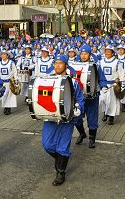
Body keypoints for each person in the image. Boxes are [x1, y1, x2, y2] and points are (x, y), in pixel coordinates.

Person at [41, 54, 84, 186]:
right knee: (47, 144)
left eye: (60, 63)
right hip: (51, 117)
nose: (57, 65)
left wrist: (79, 109)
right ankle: (60, 160)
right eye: (55, 63)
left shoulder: (74, 82)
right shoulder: (47, 80)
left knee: (63, 147)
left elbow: (80, 100)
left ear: (66, 65)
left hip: (67, 119)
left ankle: (61, 172)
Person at [72, 45, 99, 148]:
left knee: (92, 118)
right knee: (76, 116)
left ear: (90, 55)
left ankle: (92, 138)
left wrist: (103, 86)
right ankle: (82, 133)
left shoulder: (95, 66)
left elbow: (101, 79)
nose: (83, 56)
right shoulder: (74, 65)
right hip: (78, 96)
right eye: (82, 54)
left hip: (92, 97)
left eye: (86, 54)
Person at [98, 45, 125, 125]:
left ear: (112, 53)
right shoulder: (101, 62)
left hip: (114, 85)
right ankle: (105, 113)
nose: (106, 53)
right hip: (103, 84)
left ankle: (111, 117)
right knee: (103, 100)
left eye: (108, 52)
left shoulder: (117, 62)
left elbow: (121, 74)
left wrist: (122, 86)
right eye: (106, 51)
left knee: (112, 102)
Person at [0, 49, 18, 115]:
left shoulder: (11, 63)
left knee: (9, 95)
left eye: (4, 54)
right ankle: (5, 106)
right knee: (3, 95)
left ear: (7, 55)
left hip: (9, 82)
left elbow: (15, 72)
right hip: (2, 82)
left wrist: (16, 80)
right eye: (2, 54)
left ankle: (8, 108)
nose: (3, 56)